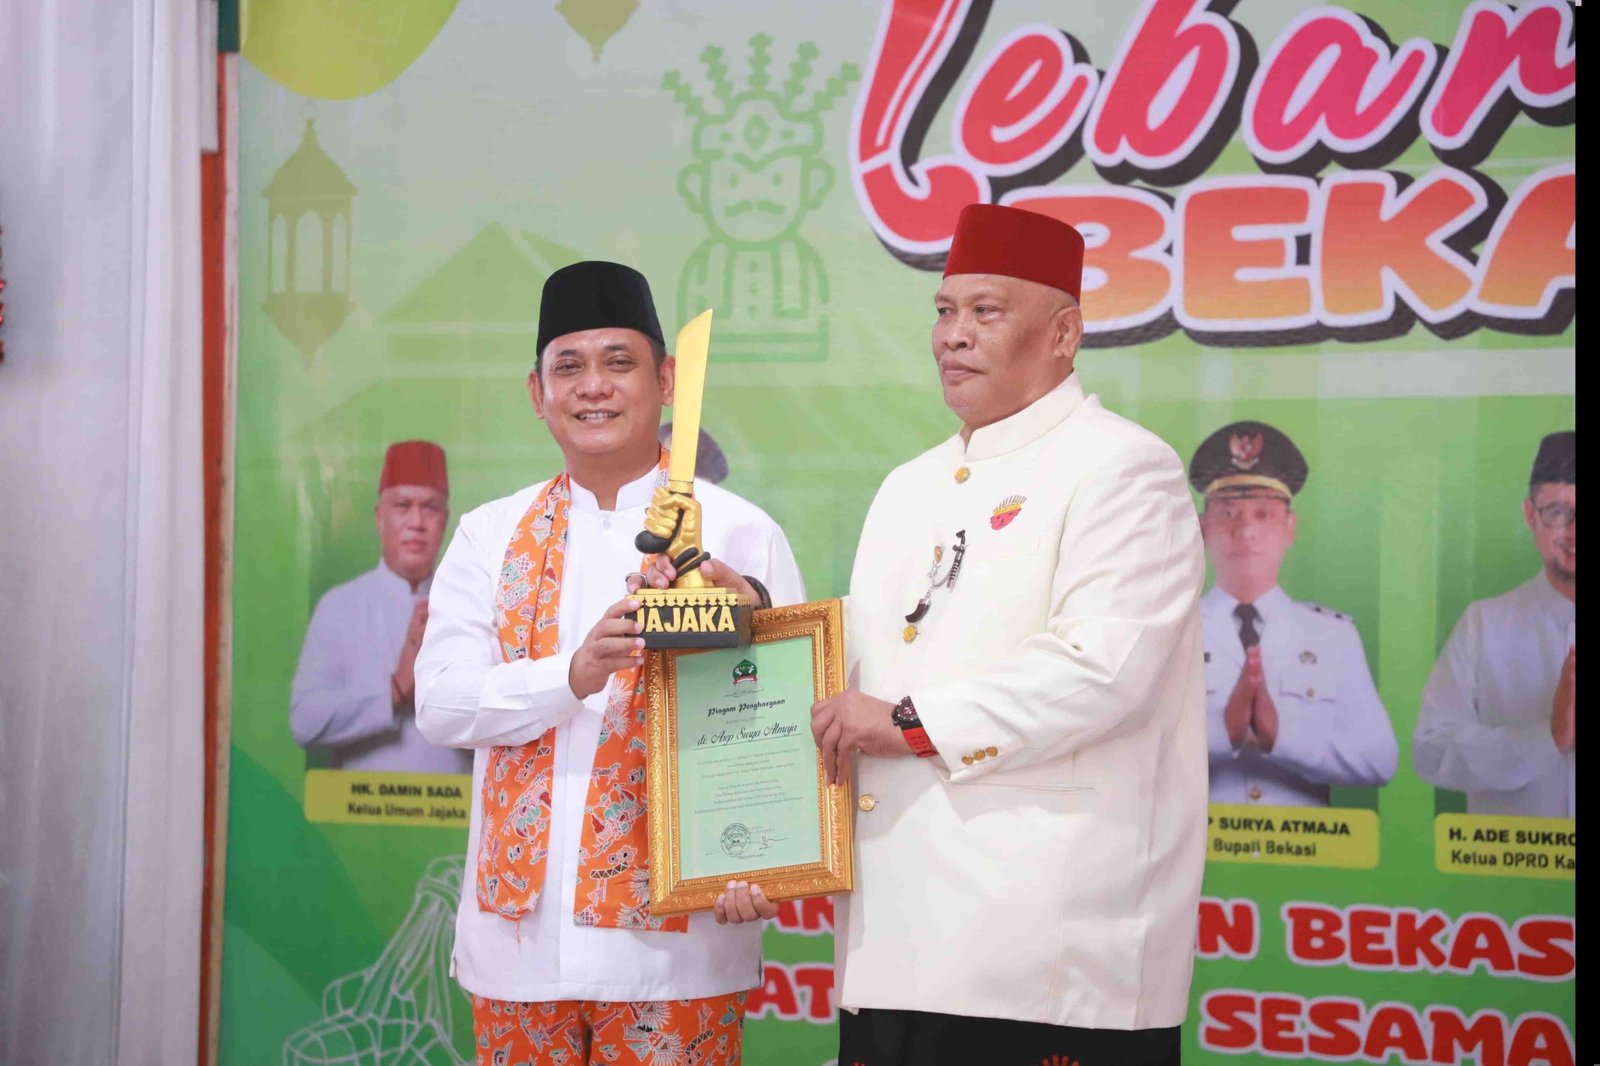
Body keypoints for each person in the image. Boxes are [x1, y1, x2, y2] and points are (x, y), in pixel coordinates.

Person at [791, 203, 1206, 1065]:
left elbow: (1102, 674)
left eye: (986, 311)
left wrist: (907, 722)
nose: (954, 336)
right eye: (945, 311)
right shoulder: (908, 484)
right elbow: (857, 677)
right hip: (891, 938)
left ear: (1064, 334)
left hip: (1046, 954)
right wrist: (745, 625)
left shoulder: (1123, 467)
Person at [413, 260, 803, 1066]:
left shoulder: (737, 533)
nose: (594, 386)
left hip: (680, 954)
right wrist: (573, 674)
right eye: (570, 366)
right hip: (518, 952)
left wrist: (767, 856)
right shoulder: (491, 535)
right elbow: (441, 704)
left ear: (665, 380)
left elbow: (781, 723)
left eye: (619, 362)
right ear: (537, 392)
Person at [1190, 421, 1398, 807]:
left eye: (1263, 514)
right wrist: (1224, 729)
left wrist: (1281, 736)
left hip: (1307, 857)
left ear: (1290, 528)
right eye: (1229, 513)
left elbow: (1380, 761)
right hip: (1202, 857)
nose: (1245, 531)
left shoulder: (1331, 636)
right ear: (1202, 528)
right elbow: (1134, 750)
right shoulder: (1171, 632)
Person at [1414, 431, 1575, 818]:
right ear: (1528, 514)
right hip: (1509, 867)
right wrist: (1546, 738)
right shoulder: (1484, 624)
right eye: (1557, 512)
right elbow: (1430, 752)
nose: (1572, 531)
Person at [290, 440, 469, 774]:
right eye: (403, 505)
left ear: (445, 520)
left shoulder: (469, 603)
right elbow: (305, 721)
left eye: (430, 507)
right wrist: (397, 689)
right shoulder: (341, 606)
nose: (417, 521)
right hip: (356, 814)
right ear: (379, 518)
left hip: (452, 814)